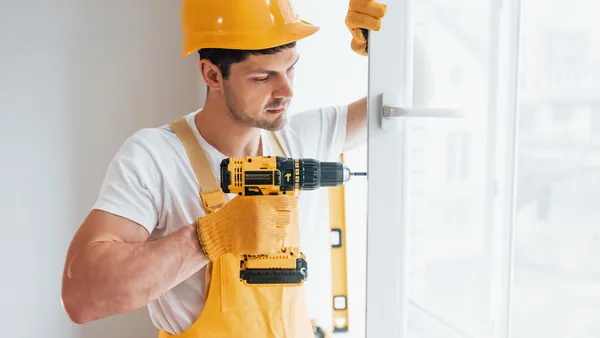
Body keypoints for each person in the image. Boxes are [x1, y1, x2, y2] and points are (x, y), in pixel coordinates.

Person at [60, 0, 386, 337]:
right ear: (212, 74)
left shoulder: (301, 140)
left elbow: (407, 103)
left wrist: (386, 42)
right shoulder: (155, 158)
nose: (286, 91)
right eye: (263, 77)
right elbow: (82, 296)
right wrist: (210, 237)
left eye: (290, 68)